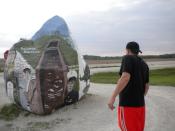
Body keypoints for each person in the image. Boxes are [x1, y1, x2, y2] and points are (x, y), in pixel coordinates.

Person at [108, 41, 149, 131]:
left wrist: (113, 97)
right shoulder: (144, 64)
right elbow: (146, 86)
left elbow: (125, 77)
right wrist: (139, 97)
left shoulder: (127, 58)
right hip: (140, 105)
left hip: (128, 105)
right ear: (138, 51)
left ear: (128, 50)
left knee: (126, 128)